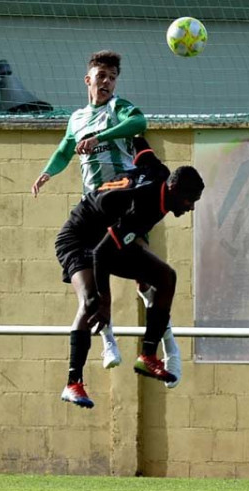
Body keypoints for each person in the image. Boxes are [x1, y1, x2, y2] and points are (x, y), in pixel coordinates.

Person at [30, 50, 181, 388]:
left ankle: (165, 340)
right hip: (95, 204)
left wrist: (102, 137)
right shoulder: (77, 118)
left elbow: (139, 123)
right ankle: (109, 340)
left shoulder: (119, 109)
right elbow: (64, 150)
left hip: (126, 201)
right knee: (100, 281)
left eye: (112, 77)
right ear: (89, 79)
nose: (107, 82)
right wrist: (46, 173)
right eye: (101, 76)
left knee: (147, 271)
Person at [54, 140, 204, 408]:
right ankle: (72, 383)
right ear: (173, 189)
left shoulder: (160, 172)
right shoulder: (139, 206)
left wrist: (130, 135)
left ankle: (148, 356)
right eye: (189, 199)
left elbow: (142, 151)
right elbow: (101, 254)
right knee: (90, 302)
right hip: (79, 238)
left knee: (166, 277)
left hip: (107, 238)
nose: (191, 207)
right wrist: (104, 301)